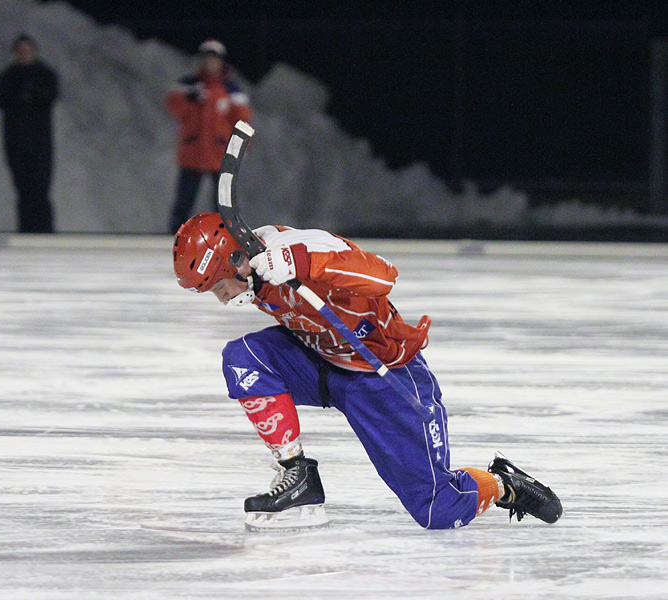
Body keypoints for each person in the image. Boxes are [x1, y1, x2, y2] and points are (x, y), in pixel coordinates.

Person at [173, 213, 562, 530]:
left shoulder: (295, 251)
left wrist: (301, 262)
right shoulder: (255, 272)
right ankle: (299, 476)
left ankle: (503, 484)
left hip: (383, 375)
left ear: (232, 261)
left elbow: (384, 275)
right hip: (323, 362)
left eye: (216, 285)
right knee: (244, 358)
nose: (220, 297)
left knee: (437, 511)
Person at [165, 40, 253, 233]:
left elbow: (242, 120)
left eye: (215, 60)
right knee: (184, 200)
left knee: (223, 202)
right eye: (207, 59)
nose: (211, 63)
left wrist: (245, 146)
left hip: (221, 154)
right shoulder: (188, 85)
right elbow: (174, 108)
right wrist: (189, 99)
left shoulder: (232, 90)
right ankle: (174, 237)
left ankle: (226, 236)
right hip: (192, 152)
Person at [0, 34, 60, 233]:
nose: (24, 53)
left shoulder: (45, 74)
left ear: (34, 51)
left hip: (40, 142)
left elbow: (51, 95)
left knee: (41, 188)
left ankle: (45, 231)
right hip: (15, 141)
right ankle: (26, 230)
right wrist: (17, 94)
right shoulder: (9, 76)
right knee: (23, 189)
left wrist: (31, 92)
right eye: (20, 50)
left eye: (27, 49)